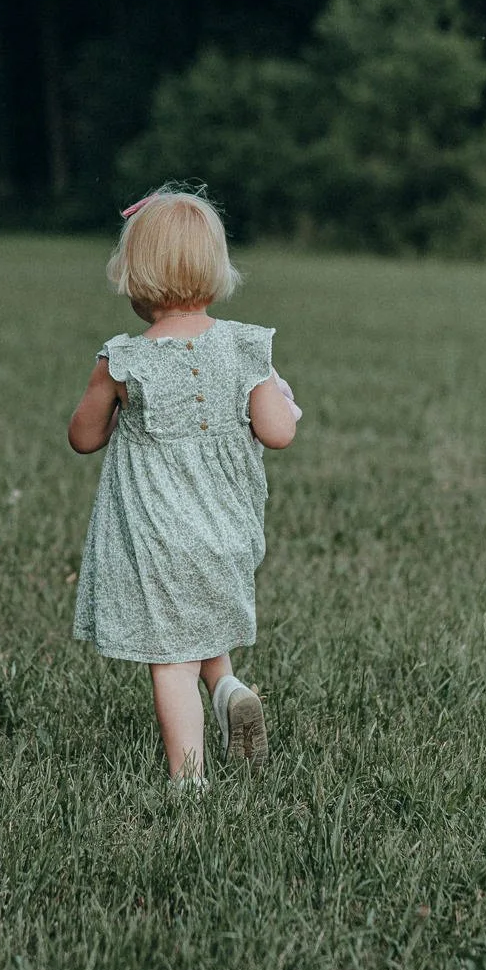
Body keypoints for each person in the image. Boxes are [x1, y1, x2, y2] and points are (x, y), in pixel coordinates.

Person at [68, 185, 300, 783]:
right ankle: (224, 687)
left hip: (156, 537)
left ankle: (188, 781)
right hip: (227, 531)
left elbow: (84, 438)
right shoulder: (245, 346)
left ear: (136, 276)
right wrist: (281, 404)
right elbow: (278, 433)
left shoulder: (123, 359)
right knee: (201, 618)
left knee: (170, 658)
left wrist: (108, 399)